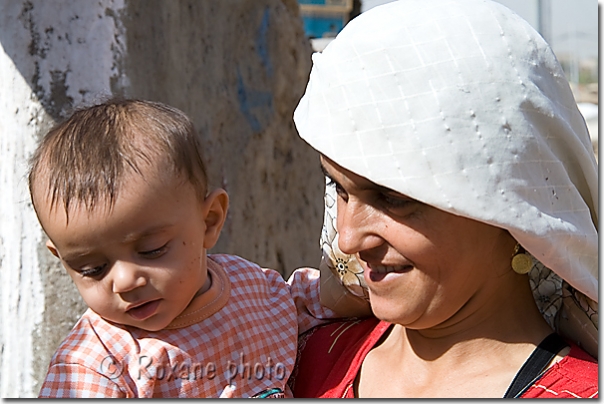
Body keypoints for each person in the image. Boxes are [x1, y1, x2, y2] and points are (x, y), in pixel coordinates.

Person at [287, 0, 598, 398]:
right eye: (341, 191)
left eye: (391, 198)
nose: (348, 239)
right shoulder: (298, 363)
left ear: (512, 208)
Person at [29, 99, 332, 398]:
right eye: (92, 269)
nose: (124, 282)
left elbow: (311, 300)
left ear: (209, 221)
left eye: (151, 250)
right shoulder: (95, 367)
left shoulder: (248, 286)